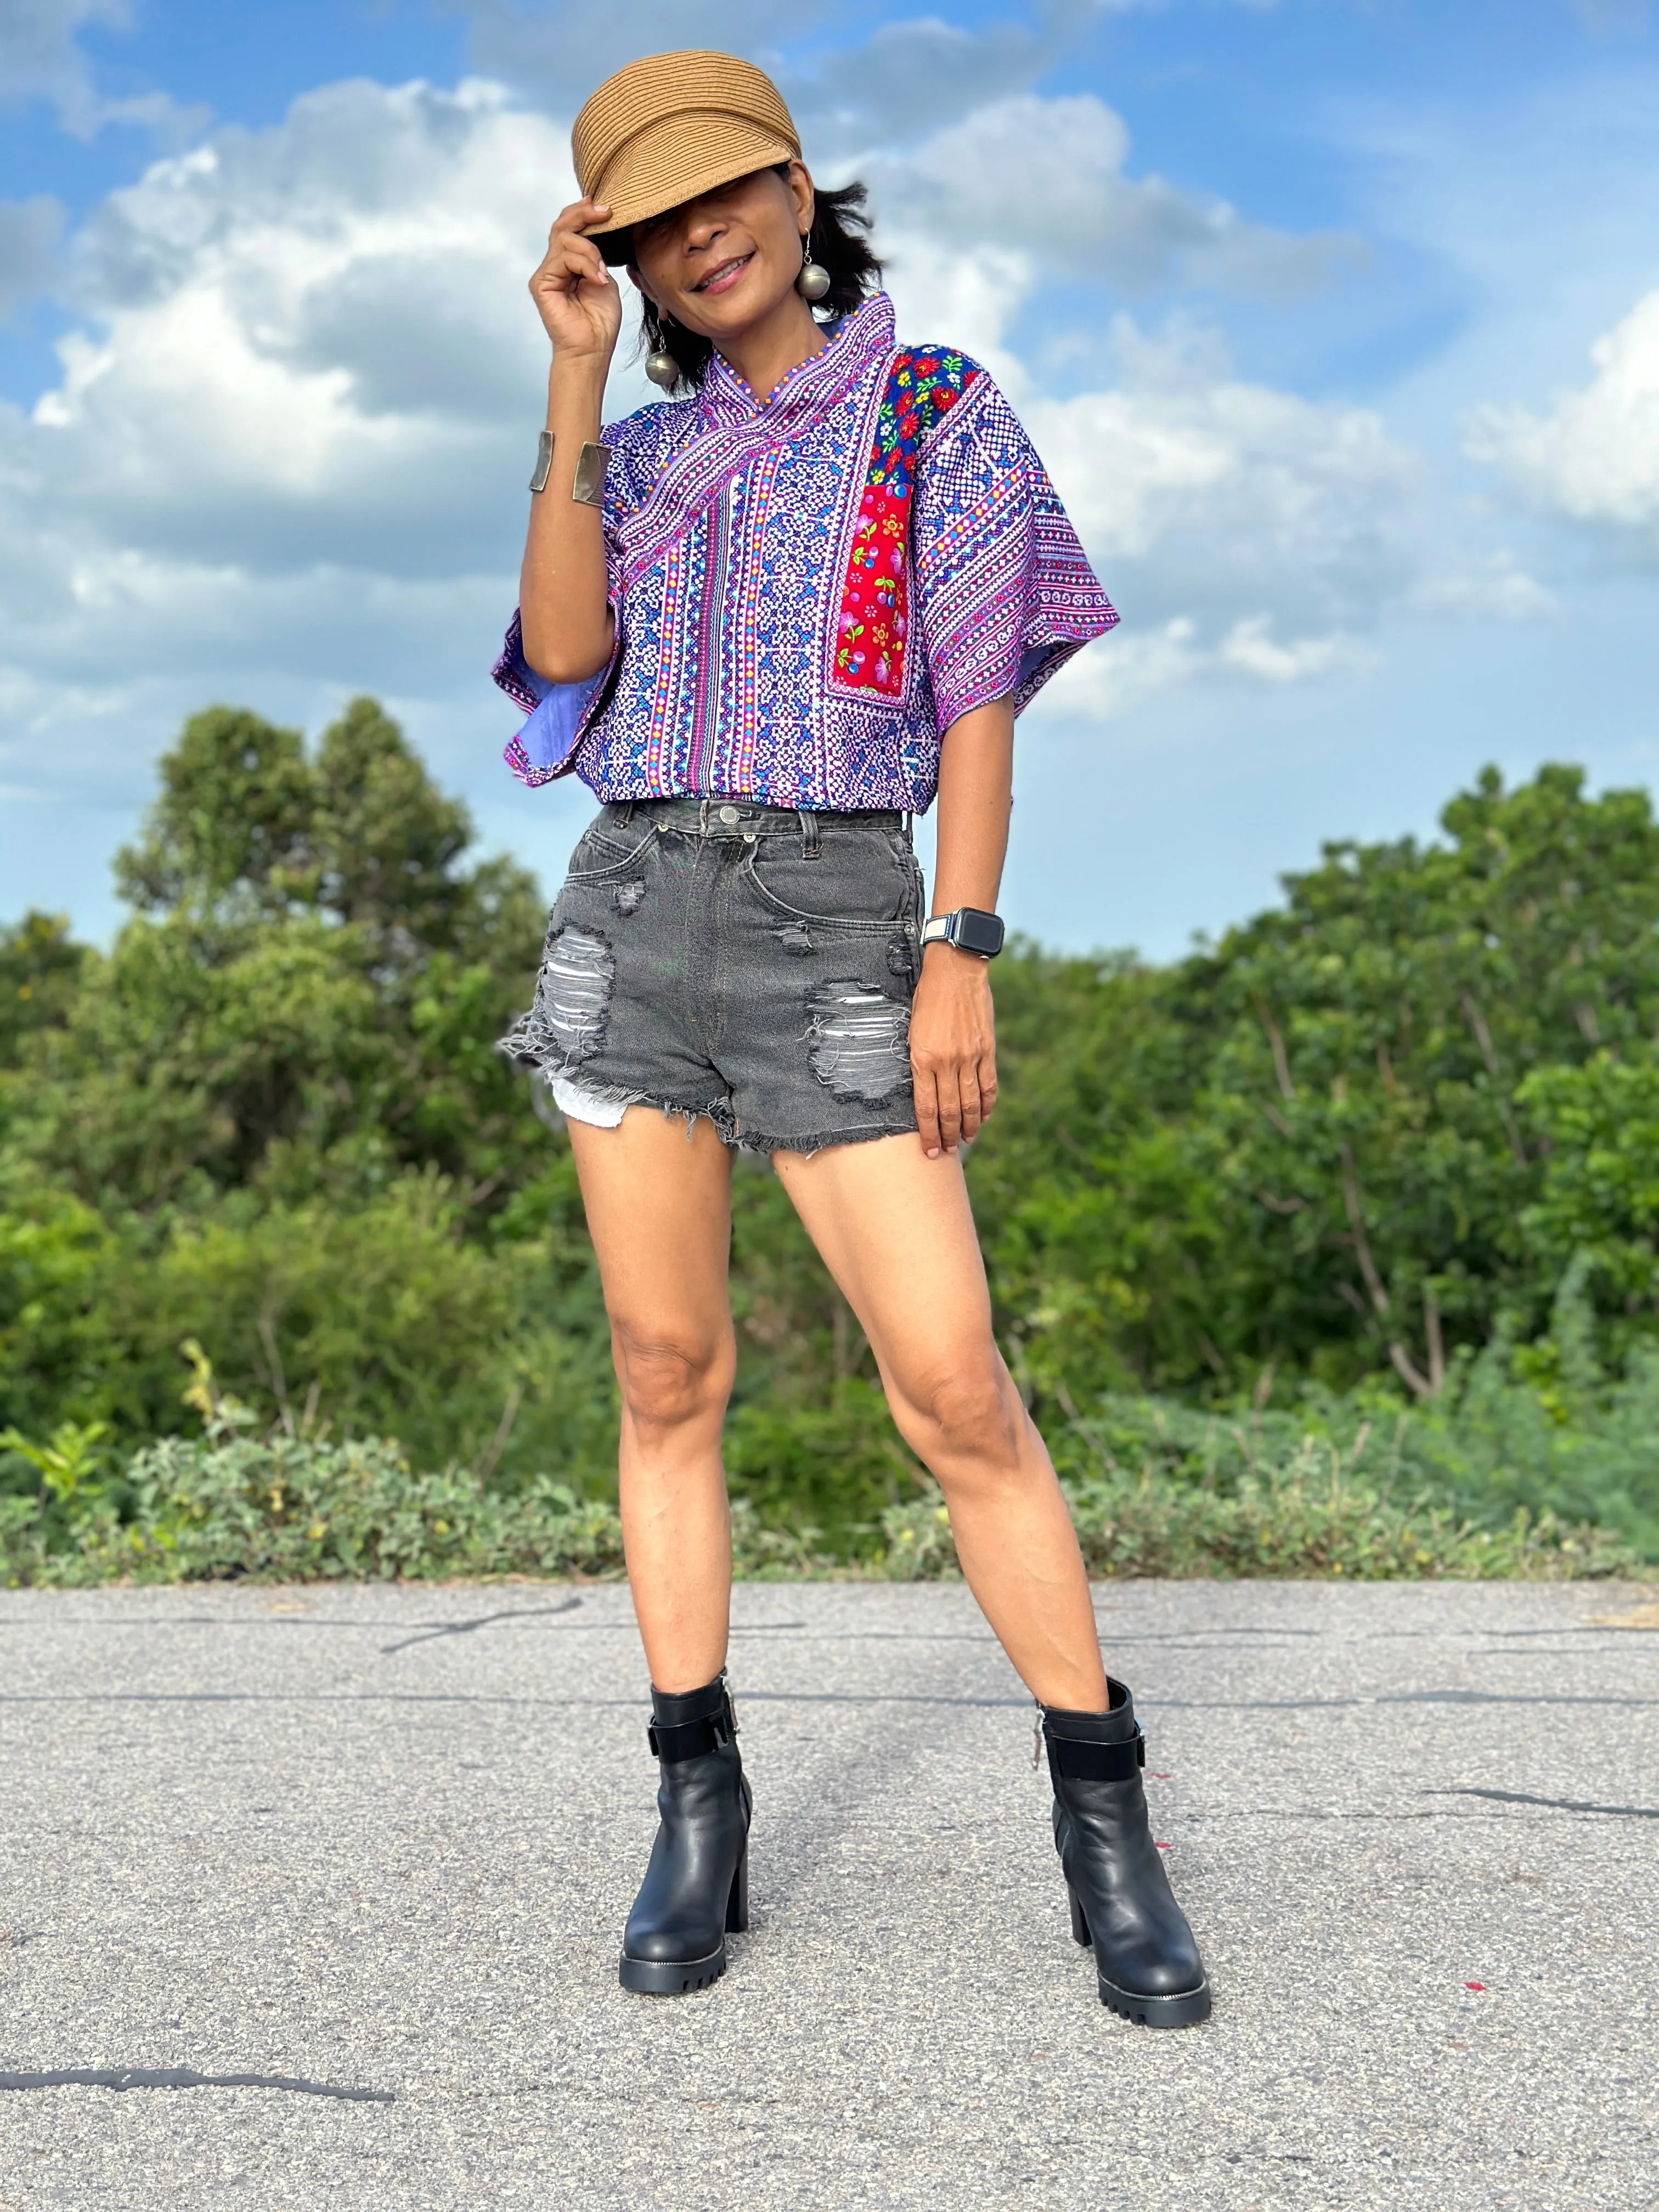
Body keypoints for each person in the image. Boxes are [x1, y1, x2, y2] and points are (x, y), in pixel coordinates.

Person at [494, 49, 1210, 2028]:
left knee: (953, 1386)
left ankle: (1105, 1820)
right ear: (622, 256)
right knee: (664, 1368)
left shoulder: (933, 408)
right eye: (653, 221)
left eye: (728, 192)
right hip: (635, 909)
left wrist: (958, 947)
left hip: (837, 920)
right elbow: (561, 665)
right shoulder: (636, 457)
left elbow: (975, 698)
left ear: (801, 193)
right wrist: (570, 380)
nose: (701, 235)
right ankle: (696, 1801)